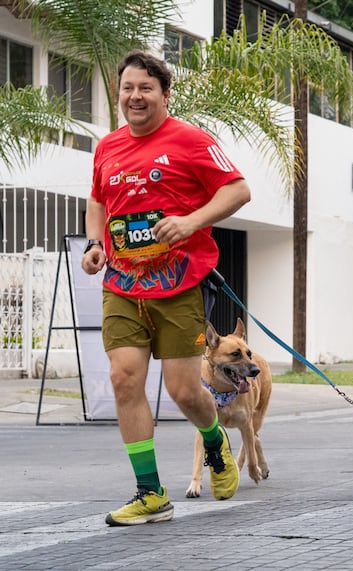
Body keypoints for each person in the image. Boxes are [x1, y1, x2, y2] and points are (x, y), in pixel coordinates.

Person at [81, 50, 252, 526]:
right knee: (124, 378)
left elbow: (238, 190)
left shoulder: (190, 140)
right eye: (127, 89)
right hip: (122, 283)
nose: (135, 97)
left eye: (145, 89)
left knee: (183, 390)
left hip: (180, 284)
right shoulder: (108, 147)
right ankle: (150, 492)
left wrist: (190, 222)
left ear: (164, 94)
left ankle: (214, 441)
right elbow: (98, 199)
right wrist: (97, 243)